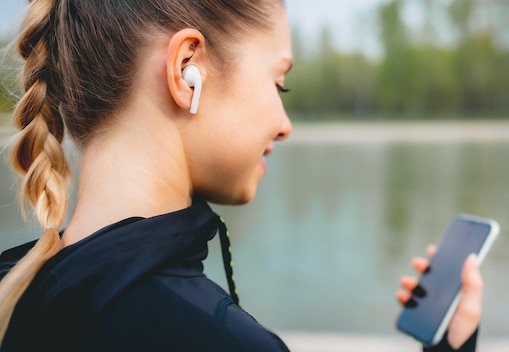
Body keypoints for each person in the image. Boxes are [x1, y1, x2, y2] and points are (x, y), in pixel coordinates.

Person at [0, 0, 483, 350]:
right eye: (279, 82)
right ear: (187, 69)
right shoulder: (217, 339)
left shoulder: (12, 286)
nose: (285, 124)